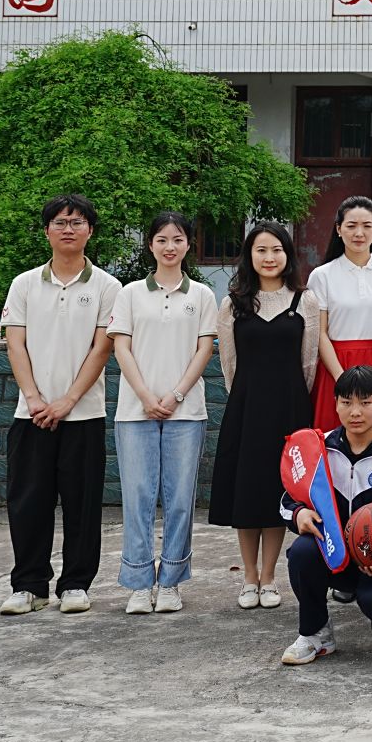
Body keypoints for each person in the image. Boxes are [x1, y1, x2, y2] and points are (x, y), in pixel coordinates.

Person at [0, 194, 120, 616]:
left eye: (78, 222)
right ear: (47, 230)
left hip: (84, 414)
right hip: (30, 414)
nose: (69, 229)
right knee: (28, 502)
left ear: (90, 231)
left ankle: (75, 585)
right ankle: (29, 586)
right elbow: (15, 344)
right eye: (61, 222)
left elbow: (101, 349)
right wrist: (34, 398)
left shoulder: (107, 286)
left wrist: (67, 401)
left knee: (82, 504)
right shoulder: (24, 283)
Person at [109, 212, 217, 614]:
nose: (170, 247)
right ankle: (139, 583)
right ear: (150, 245)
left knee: (180, 498)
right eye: (161, 240)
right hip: (134, 411)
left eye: (178, 239)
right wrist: (145, 395)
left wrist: (175, 395)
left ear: (189, 244)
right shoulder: (130, 293)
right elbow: (121, 347)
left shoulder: (202, 296)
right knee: (137, 496)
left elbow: (204, 349)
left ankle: (171, 580)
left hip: (186, 412)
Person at [209, 220, 321, 610]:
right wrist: (247, 397)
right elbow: (228, 365)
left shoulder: (304, 301)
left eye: (277, 250)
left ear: (287, 255)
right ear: (250, 256)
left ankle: (270, 577)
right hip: (246, 407)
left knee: (279, 489)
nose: (269, 257)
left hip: (289, 407)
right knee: (247, 490)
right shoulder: (232, 303)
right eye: (261, 250)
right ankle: (249, 578)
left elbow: (309, 363)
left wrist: (291, 399)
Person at [279, 366, 372, 664]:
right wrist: (300, 514)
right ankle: (316, 632)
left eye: (366, 402)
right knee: (303, 553)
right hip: (334, 553)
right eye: (346, 403)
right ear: (335, 404)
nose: (355, 412)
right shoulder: (319, 448)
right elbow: (287, 501)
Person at [307, 196, 372, 432]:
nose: (359, 233)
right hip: (336, 366)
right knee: (333, 439)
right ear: (339, 229)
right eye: (351, 226)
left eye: (367, 225)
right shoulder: (322, 275)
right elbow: (320, 333)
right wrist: (342, 379)